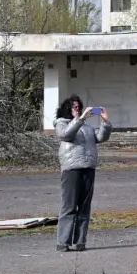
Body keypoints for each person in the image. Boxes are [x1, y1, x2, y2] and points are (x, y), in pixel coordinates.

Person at [53, 95, 112, 252]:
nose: (77, 110)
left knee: (84, 207)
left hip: (88, 168)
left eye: (79, 107)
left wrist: (105, 122)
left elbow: (101, 137)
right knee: (69, 206)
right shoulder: (61, 123)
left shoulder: (87, 127)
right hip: (71, 169)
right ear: (67, 109)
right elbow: (65, 135)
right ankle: (63, 242)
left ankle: (80, 241)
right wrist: (79, 119)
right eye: (74, 107)